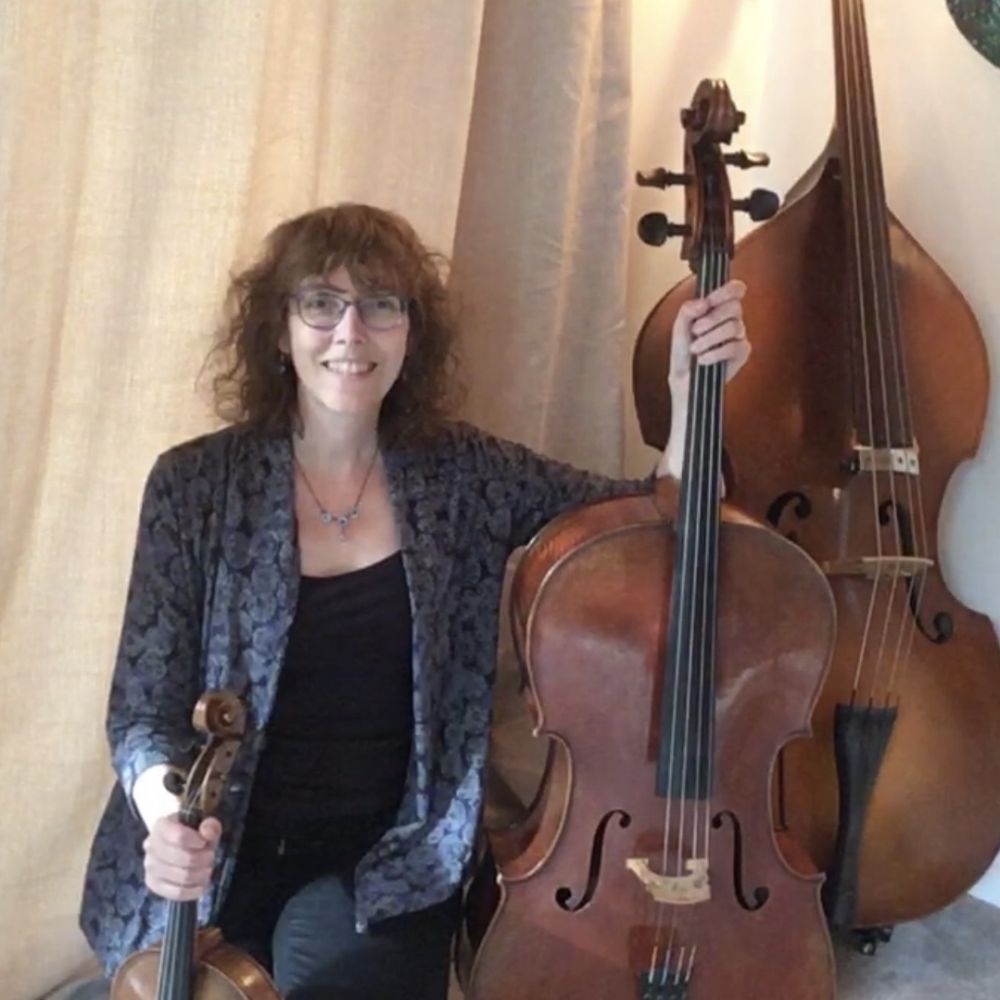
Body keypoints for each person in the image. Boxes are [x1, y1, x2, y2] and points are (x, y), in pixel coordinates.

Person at [79, 203, 749, 999]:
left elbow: (648, 515)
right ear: (278, 329)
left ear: (410, 332)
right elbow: (141, 710)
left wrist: (689, 397)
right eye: (320, 303)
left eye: (380, 305)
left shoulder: (462, 474)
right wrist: (167, 821)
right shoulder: (194, 486)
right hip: (215, 843)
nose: (350, 332)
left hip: (385, 857)